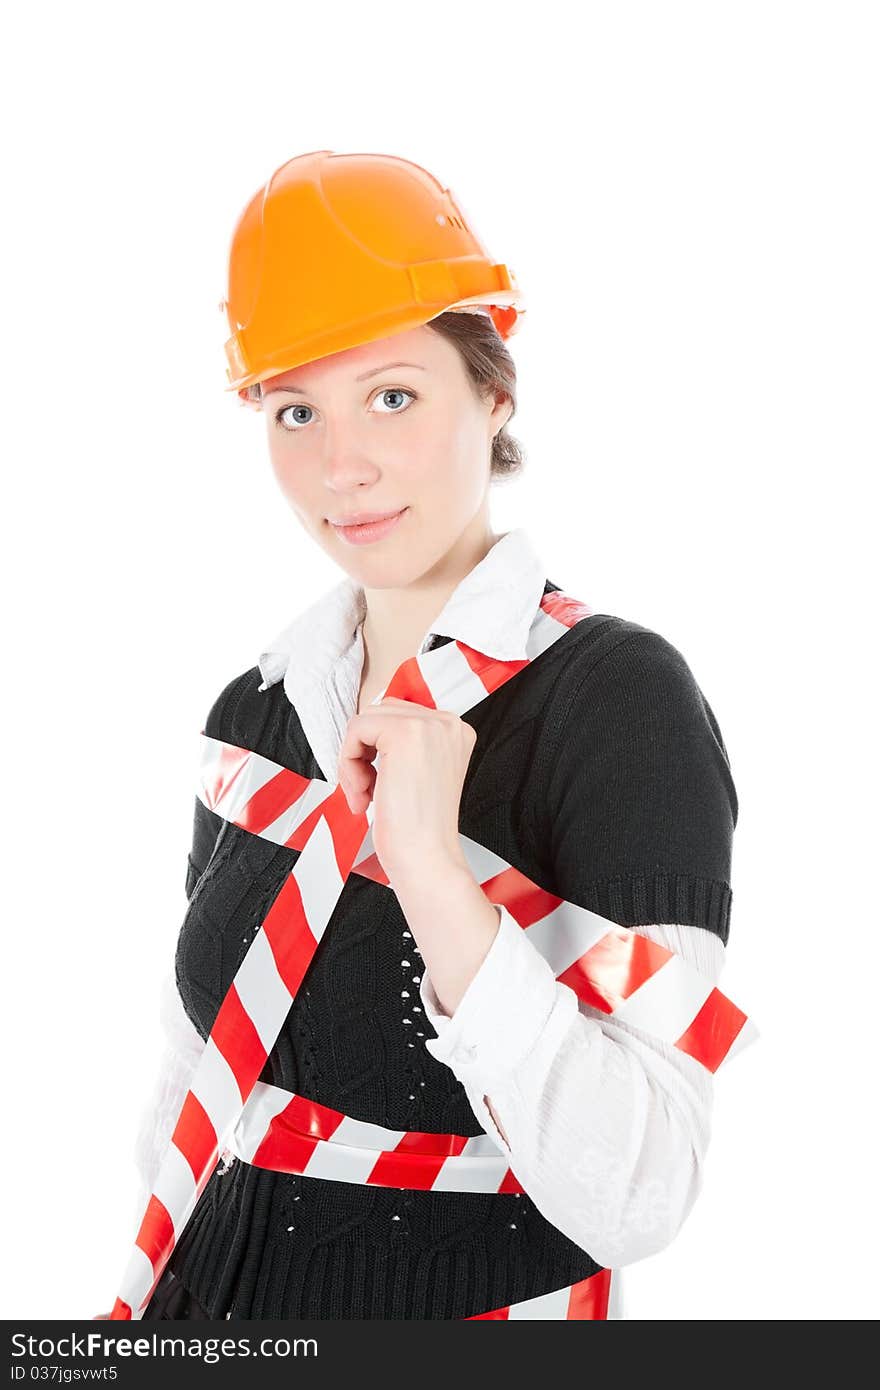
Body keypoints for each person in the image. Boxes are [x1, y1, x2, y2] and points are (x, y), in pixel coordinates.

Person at [97, 151, 739, 1321]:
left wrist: (439, 881)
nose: (340, 466)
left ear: (494, 394)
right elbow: (192, 1084)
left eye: (392, 395)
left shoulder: (615, 703)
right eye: (296, 411)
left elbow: (644, 1189)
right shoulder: (255, 713)